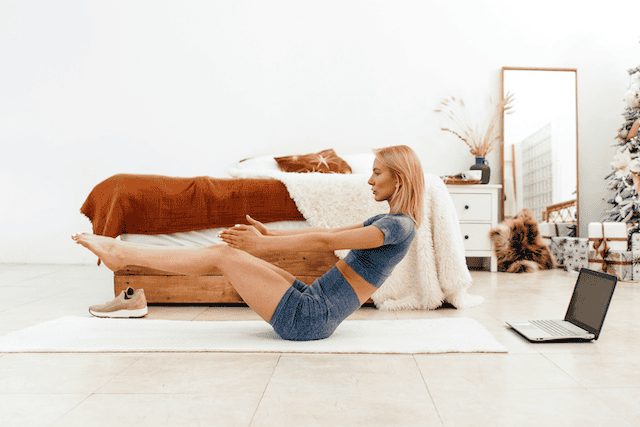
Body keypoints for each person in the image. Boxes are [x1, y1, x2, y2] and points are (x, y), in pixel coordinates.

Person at [71, 144, 425, 341]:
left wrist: (260, 246)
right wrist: (270, 234)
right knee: (228, 256)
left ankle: (121, 254)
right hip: (312, 302)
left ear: (400, 178)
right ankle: (122, 255)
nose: (370, 180)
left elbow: (326, 239)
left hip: (310, 319)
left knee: (224, 256)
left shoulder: (398, 226)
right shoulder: (388, 222)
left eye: (377, 172)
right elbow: (325, 230)